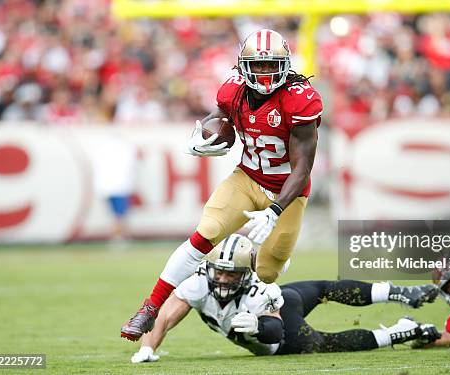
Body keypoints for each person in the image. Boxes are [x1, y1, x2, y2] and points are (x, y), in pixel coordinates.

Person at [121, 29, 324, 341]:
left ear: (286, 66)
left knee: (268, 271)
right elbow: (220, 117)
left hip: (288, 191)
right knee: (205, 234)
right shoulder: (232, 91)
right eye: (259, 65)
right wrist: (203, 134)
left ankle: (257, 263)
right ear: (243, 65)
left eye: (273, 65)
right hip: (247, 178)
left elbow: (303, 169)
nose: (266, 72)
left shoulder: (300, 101)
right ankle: (149, 307)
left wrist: (274, 211)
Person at [130, 234, 441, 362]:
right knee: (321, 291)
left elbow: (276, 332)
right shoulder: (198, 285)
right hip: (282, 316)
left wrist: (257, 326)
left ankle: (399, 317)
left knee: (325, 332)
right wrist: (148, 347)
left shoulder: (258, 290)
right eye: (219, 272)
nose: (223, 279)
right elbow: (166, 316)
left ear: (246, 274)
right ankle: (399, 310)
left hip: (280, 330)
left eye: (231, 274)